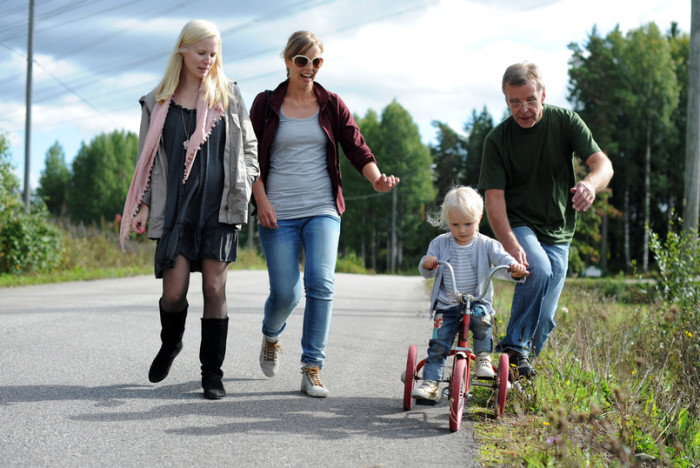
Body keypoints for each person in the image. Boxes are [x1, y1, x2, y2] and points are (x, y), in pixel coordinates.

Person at [248, 30, 399, 398]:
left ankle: (311, 368)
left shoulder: (331, 104)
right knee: (286, 294)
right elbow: (248, 157)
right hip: (277, 211)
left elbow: (356, 147)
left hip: (322, 208)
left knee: (321, 282)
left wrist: (377, 179)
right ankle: (271, 336)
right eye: (302, 61)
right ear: (287, 61)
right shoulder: (266, 104)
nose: (309, 68)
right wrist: (261, 200)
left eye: (316, 61)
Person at [119, 19, 259, 399]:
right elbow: (147, 160)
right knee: (173, 293)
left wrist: (244, 182)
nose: (208, 60)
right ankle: (171, 342)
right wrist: (144, 204)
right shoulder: (157, 102)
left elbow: (250, 148)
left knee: (214, 287)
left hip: (219, 208)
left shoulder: (228, 95)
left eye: (214, 54)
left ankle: (211, 373)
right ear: (182, 49)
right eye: (201, 52)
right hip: (177, 211)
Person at [478, 61, 613, 378]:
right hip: (519, 224)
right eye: (514, 102)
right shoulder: (497, 141)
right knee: (538, 268)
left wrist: (590, 184)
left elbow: (603, 164)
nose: (523, 109)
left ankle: (515, 374)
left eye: (530, 100)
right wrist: (511, 244)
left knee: (545, 318)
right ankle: (513, 350)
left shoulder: (565, 122)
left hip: (558, 229)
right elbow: (494, 202)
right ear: (506, 101)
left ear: (543, 94)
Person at [412, 186, 527, 401]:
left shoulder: (487, 244)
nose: (462, 230)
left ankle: (483, 360)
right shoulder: (439, 243)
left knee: (482, 323)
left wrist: (515, 267)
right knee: (438, 345)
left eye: (468, 224)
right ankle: (430, 384)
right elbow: (426, 269)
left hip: (477, 302)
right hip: (447, 304)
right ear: (447, 221)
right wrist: (427, 263)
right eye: (455, 224)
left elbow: (504, 260)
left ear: (479, 218)